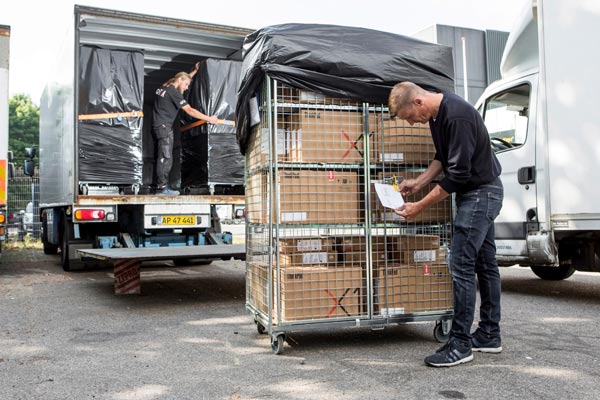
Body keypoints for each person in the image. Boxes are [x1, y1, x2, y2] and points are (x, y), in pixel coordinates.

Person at [388, 81, 504, 367]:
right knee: (485, 264)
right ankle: (489, 334)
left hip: (480, 195)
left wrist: (418, 206)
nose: (412, 123)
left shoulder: (457, 116)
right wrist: (419, 183)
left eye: (410, 117)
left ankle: (460, 344)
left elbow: (458, 176)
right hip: (479, 193)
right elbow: (442, 158)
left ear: (418, 102)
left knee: (460, 264)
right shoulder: (437, 116)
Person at [152, 62, 219, 195]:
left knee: (162, 156)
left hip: (159, 126)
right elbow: (190, 110)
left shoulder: (164, 87)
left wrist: (194, 71)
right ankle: (161, 188)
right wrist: (209, 119)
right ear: (179, 80)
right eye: (186, 84)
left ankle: (160, 186)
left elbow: (183, 78)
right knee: (166, 157)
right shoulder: (174, 93)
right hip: (164, 127)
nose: (187, 88)